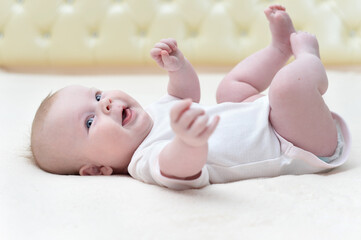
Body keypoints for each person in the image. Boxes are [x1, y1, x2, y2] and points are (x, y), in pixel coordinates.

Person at [31, 5, 350, 190]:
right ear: (97, 169)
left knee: (230, 90)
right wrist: (187, 141)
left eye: (98, 96)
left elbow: (186, 95)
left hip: (268, 116)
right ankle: (309, 59)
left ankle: (278, 50)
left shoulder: (154, 115)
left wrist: (177, 67)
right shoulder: (145, 160)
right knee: (284, 88)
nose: (106, 105)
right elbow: (181, 167)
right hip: (300, 145)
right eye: (90, 121)